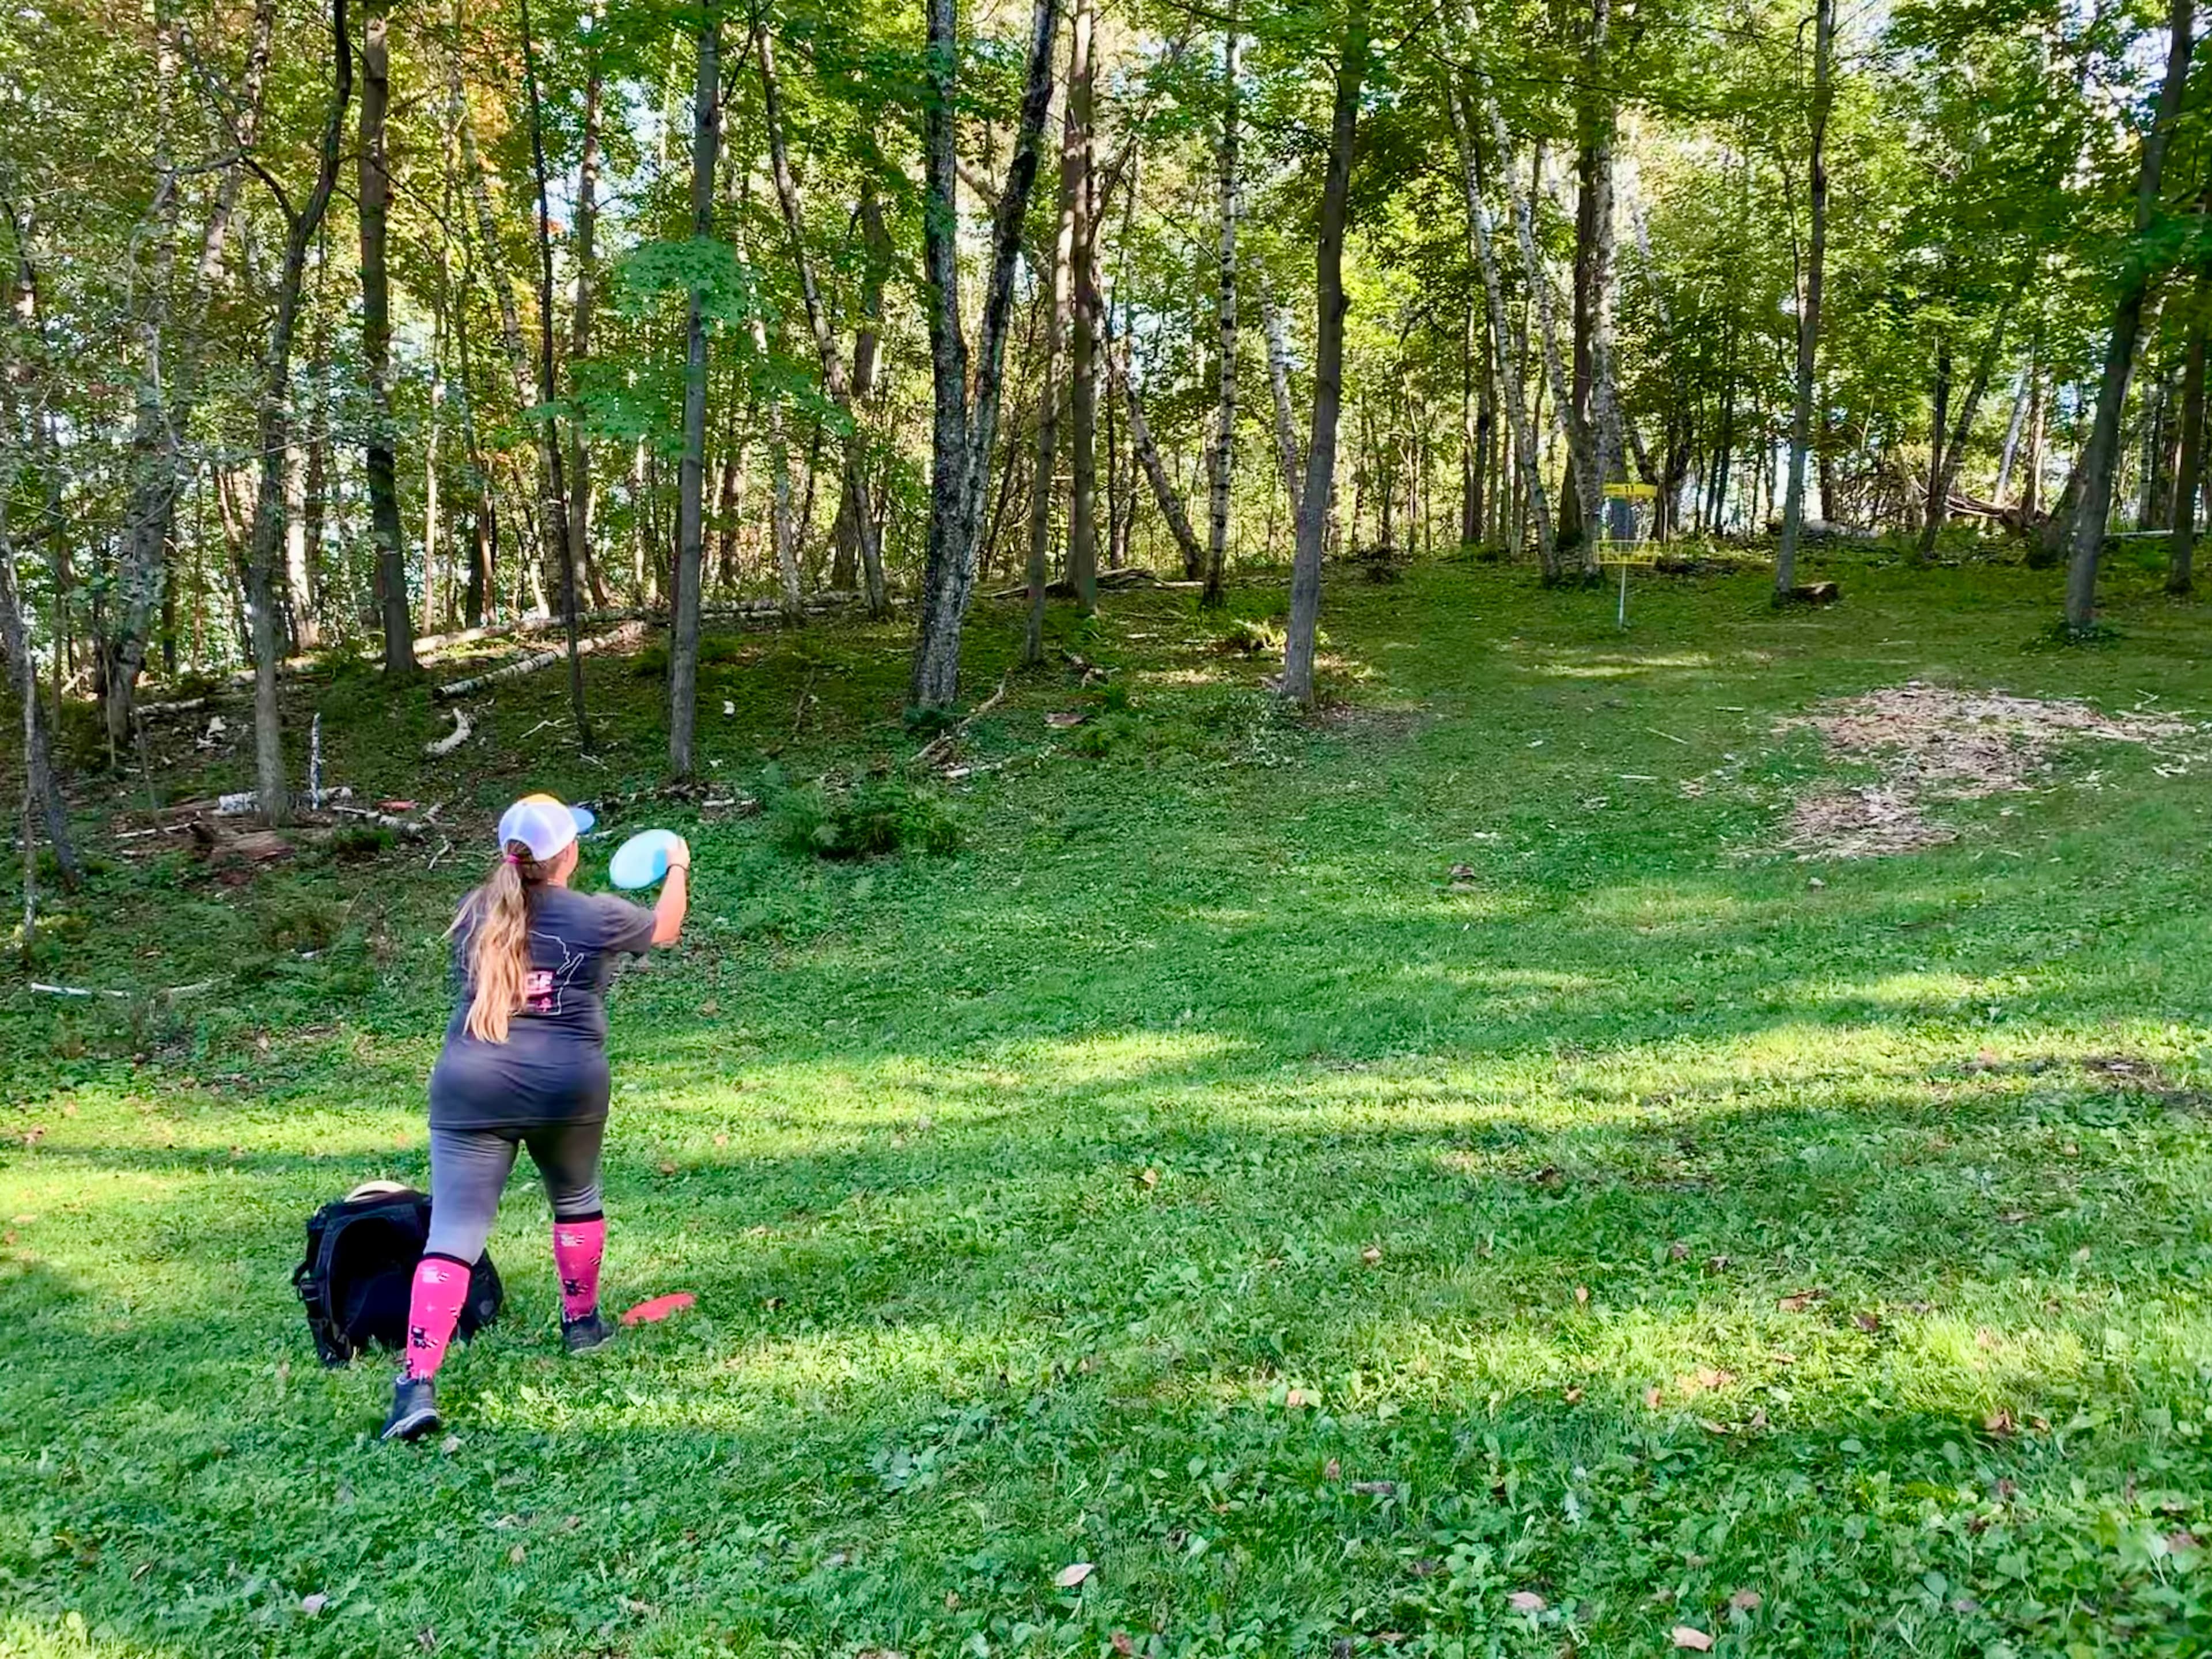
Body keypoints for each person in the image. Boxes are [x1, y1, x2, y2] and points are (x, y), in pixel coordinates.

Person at [382, 794, 690, 1442]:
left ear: (509, 855)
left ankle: (416, 1384)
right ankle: (581, 1326)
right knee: (575, 1198)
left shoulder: (474, 911)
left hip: (471, 1087)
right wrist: (677, 864)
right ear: (568, 854)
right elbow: (666, 927)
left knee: (455, 1232)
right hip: (566, 1086)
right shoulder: (597, 914)